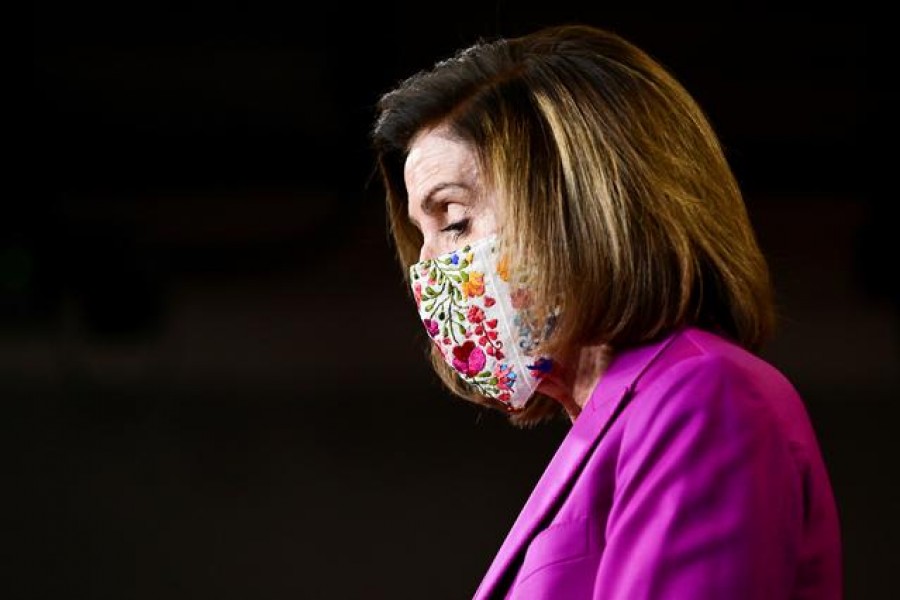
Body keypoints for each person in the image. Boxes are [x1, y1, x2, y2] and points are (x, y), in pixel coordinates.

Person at [370, 23, 842, 599]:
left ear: (580, 204)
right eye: (423, 237)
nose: (429, 271)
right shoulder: (611, 425)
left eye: (455, 220)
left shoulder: (703, 395)